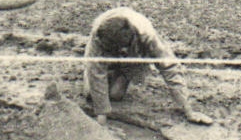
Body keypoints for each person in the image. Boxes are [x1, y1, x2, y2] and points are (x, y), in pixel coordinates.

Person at [82, 7, 212, 126]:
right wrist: (102, 120)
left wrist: (188, 110)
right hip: (110, 46)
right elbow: (95, 72)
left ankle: (123, 73)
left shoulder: (146, 34)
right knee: (90, 94)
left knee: (116, 94)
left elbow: (169, 68)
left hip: (134, 51)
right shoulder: (99, 36)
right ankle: (112, 70)